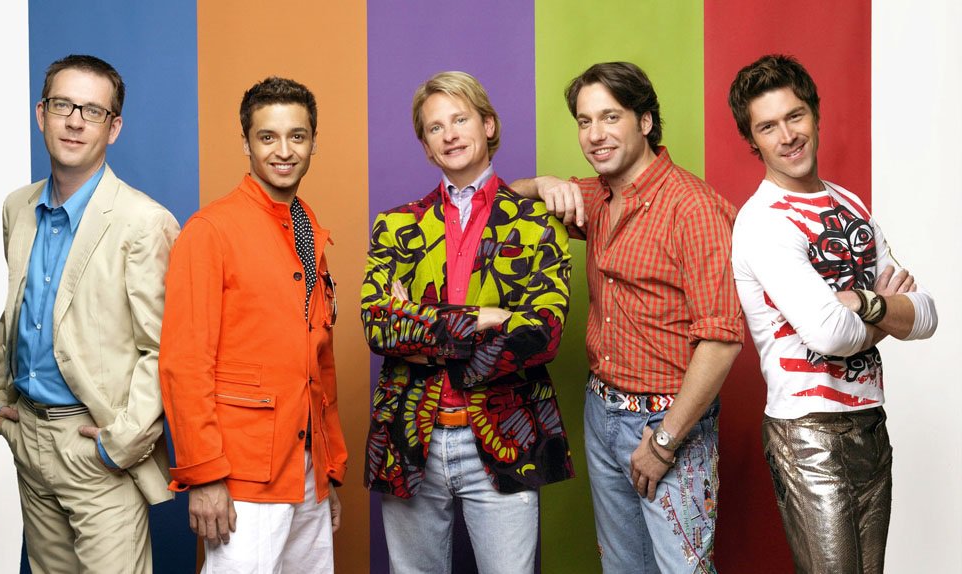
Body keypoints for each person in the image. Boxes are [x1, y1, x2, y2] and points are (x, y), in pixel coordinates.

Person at [512, 62, 743, 572]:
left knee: (682, 568)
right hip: (602, 412)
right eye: (584, 121)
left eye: (610, 117)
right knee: (622, 567)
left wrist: (664, 442)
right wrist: (543, 183)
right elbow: (501, 201)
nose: (595, 134)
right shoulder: (596, 196)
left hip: (670, 421)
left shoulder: (694, 208)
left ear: (645, 121)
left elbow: (722, 340)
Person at [727, 54, 938, 573]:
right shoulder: (764, 222)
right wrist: (885, 314)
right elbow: (829, 334)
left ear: (815, 114)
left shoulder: (850, 206)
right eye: (768, 127)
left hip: (870, 421)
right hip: (808, 434)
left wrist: (864, 303)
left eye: (795, 116)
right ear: (753, 141)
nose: (787, 136)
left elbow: (927, 314)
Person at [361, 71, 573, 573]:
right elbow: (378, 325)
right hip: (411, 437)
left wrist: (420, 325)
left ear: (488, 124)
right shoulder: (396, 224)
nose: (450, 135)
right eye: (436, 127)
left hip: (505, 434)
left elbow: (542, 334)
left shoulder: (536, 222)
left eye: (460, 120)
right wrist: (483, 318)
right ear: (426, 145)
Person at [0, 54, 178, 573]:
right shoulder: (18, 207)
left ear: (113, 128)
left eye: (92, 111)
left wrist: (122, 442)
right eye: (62, 105)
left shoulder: (143, 222)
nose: (74, 121)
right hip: (29, 435)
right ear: (40, 113)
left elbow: (163, 348)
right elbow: (18, 310)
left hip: (95, 449)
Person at [159, 76, 348, 573]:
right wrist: (204, 476)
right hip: (241, 475)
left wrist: (328, 471)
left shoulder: (306, 226)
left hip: (307, 469)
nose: (284, 151)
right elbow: (184, 363)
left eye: (297, 136)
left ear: (313, 142)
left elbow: (320, 361)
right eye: (268, 137)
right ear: (246, 143)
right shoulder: (210, 230)